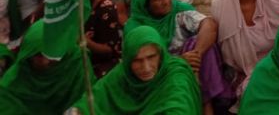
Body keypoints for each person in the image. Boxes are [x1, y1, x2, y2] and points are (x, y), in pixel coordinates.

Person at [125, 0, 227, 109]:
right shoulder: (135, 27)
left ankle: (206, 103)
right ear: (146, 3)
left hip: (192, 67)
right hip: (156, 73)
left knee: (201, 43)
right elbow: (141, 61)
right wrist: (178, 62)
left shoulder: (178, 10)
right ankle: (205, 105)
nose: (166, 2)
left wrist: (197, 55)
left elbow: (209, 24)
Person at [73, 25, 201, 115]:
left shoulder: (176, 75)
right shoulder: (123, 73)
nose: (146, 67)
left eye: (151, 57)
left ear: (161, 55)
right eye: (137, 60)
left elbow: (179, 107)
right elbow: (93, 98)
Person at [0, 21, 88, 114]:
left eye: (51, 55)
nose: (44, 61)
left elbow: (86, 103)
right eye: (37, 55)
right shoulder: (20, 71)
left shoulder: (76, 64)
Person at [83, 0, 123, 78]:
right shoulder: (67, 2)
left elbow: (110, 51)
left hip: (100, 61)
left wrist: (86, 42)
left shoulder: (106, 9)